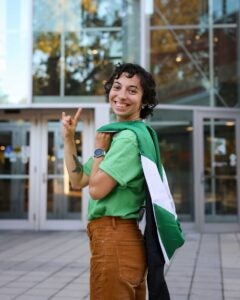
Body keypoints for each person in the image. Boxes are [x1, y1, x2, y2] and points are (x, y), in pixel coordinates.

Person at [61, 63, 171, 300]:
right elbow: (79, 180)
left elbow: (97, 190)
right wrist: (69, 140)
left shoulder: (127, 139)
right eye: (117, 87)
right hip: (123, 242)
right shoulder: (123, 134)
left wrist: (100, 151)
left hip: (114, 240)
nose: (121, 95)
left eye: (132, 91)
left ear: (144, 100)